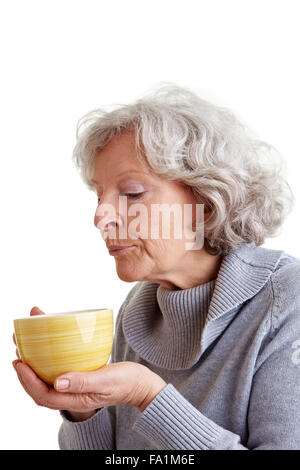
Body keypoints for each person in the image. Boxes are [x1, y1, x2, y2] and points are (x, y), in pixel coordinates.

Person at [13, 83, 300, 450]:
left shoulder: (287, 303)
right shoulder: (140, 310)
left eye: (131, 193)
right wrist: (85, 409)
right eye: (100, 194)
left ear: (207, 204)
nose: (100, 216)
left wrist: (147, 396)